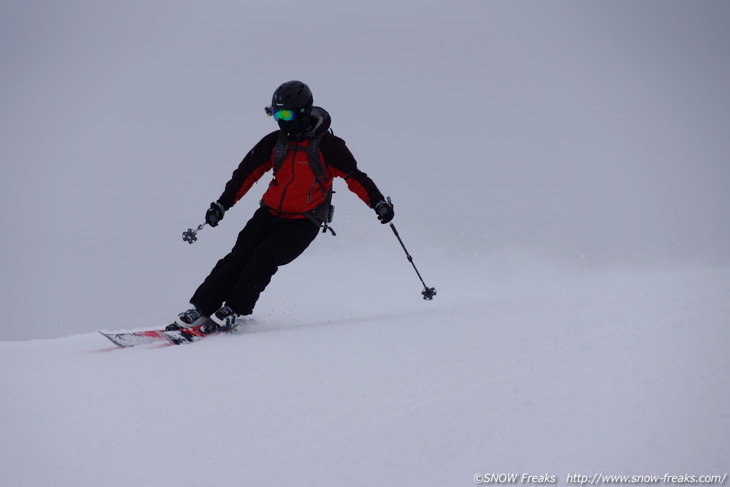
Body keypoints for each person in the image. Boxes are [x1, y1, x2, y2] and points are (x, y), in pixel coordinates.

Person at [168, 81, 394, 333]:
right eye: (275, 114)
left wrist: (378, 203)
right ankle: (201, 309)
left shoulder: (329, 147)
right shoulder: (275, 143)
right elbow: (246, 174)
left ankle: (234, 310)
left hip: (303, 221)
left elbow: (355, 177)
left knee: (264, 257)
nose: (280, 121)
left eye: (285, 114)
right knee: (238, 255)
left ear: (303, 112)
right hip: (269, 213)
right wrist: (223, 204)